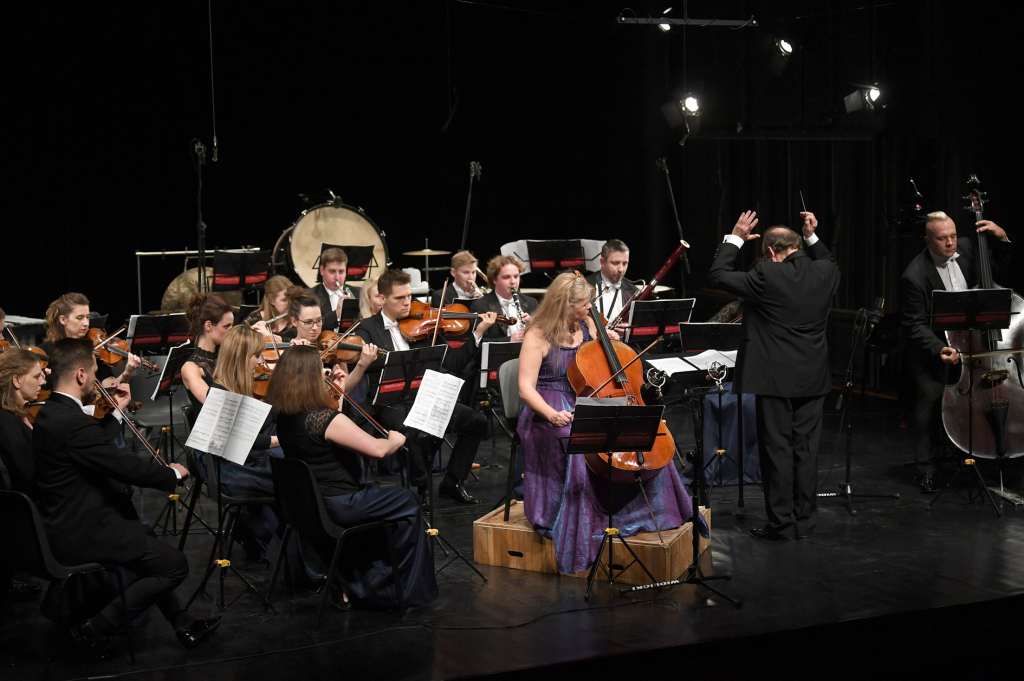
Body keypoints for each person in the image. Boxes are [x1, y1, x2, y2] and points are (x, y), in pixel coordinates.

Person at [32, 339, 219, 655]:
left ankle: (182, 623)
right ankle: (93, 631)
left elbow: (95, 447)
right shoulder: (72, 422)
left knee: (143, 532)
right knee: (174, 565)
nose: (96, 380)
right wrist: (171, 474)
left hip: (68, 520)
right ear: (80, 375)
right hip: (82, 531)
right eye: (93, 372)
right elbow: (123, 466)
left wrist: (116, 412)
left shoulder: (52, 413)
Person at [517, 271, 696, 574]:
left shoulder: (587, 322)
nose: (590, 310)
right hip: (550, 405)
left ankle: (648, 512)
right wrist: (551, 413)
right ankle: (580, 524)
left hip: (586, 397)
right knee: (577, 439)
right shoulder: (537, 335)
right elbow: (525, 388)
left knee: (642, 431)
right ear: (564, 305)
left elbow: (597, 362)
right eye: (584, 306)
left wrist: (608, 338)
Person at [266, 345, 438, 610]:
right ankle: (389, 589)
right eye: (319, 370)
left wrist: (338, 394)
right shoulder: (324, 419)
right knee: (408, 501)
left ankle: (359, 579)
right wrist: (396, 439)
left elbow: (329, 430)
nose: (324, 373)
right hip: (343, 504)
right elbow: (378, 450)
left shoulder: (287, 417)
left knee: (393, 506)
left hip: (311, 506)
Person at [708, 210, 840, 541]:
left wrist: (736, 237)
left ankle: (781, 524)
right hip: (813, 379)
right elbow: (826, 257)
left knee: (777, 451)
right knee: (806, 452)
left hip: (774, 380)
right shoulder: (827, 271)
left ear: (769, 252)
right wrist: (812, 235)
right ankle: (805, 521)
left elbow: (718, 274)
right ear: (799, 245)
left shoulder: (767, 275)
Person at [354, 269, 497, 506]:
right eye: (399, 298)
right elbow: (367, 366)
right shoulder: (367, 328)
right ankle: (422, 488)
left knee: (476, 421)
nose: (407, 303)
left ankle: (452, 482)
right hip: (390, 402)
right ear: (382, 299)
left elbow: (452, 363)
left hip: (426, 395)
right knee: (414, 429)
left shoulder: (421, 324)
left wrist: (477, 333)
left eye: (409, 296)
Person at [899, 211, 1012, 492]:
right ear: (927, 240)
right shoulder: (914, 276)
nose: (951, 243)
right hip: (934, 349)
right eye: (942, 239)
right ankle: (926, 469)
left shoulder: (969, 246)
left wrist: (1003, 238)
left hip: (974, 343)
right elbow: (913, 325)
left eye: (952, 236)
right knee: (930, 398)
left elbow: (1000, 267)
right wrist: (940, 349)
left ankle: (978, 456)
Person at [41, 293, 141, 387]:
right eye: (79, 318)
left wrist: (127, 373)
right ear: (63, 320)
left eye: (87, 317)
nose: (86, 323)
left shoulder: (94, 349)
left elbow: (108, 385)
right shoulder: (47, 350)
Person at [0, 348, 47, 495]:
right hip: (32, 506)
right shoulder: (6, 421)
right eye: (36, 376)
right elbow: (30, 474)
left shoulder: (25, 413)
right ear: (17, 381)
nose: (43, 382)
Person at [180, 293, 235, 419]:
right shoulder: (191, 367)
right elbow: (214, 404)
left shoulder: (225, 356)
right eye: (227, 326)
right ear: (208, 326)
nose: (232, 331)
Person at [470, 254, 537, 342]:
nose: (513, 282)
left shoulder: (531, 302)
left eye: (516, 276)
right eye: (506, 277)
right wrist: (509, 340)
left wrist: (535, 326)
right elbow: (479, 345)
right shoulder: (480, 306)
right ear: (494, 279)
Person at [585, 239, 639, 326]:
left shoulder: (633, 292)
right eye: (615, 263)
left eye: (625, 263)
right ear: (602, 262)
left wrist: (629, 329)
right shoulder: (585, 286)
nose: (621, 269)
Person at [313, 247, 356, 333]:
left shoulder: (359, 293)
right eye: (332, 271)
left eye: (341, 272)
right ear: (322, 270)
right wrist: (336, 313)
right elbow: (312, 327)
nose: (337, 278)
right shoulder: (311, 295)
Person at [243, 274, 296, 339]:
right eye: (284, 300)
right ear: (272, 301)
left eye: (291, 298)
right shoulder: (253, 320)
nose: (290, 303)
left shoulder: (298, 320)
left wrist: (271, 337)